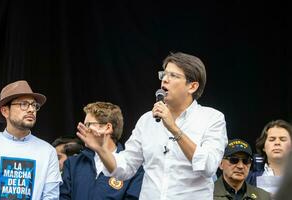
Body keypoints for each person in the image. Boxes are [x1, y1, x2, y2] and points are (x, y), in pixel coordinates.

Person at [77, 52, 228, 199]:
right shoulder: (147, 120)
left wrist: (174, 129)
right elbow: (125, 168)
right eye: (164, 74)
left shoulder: (212, 118)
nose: (165, 81)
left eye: (173, 76)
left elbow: (209, 166)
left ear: (192, 86)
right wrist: (101, 150)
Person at [0, 80, 62, 199]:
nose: (31, 110)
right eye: (24, 104)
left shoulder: (48, 151)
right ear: (5, 111)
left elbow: (51, 197)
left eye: (34, 105)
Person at [60, 102, 144, 200]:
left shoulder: (133, 167)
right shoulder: (72, 163)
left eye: (88, 124)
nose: (84, 130)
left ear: (108, 128)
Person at [247, 119, 292, 194]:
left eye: (283, 139)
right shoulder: (249, 179)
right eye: (272, 139)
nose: (277, 143)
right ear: (263, 146)